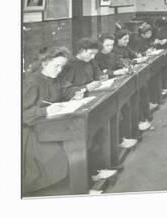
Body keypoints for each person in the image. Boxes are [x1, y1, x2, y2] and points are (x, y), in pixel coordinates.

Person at [22, 46, 108, 195]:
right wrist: (45, 110)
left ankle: (86, 181)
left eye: (62, 66)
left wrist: (76, 93)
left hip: (55, 125)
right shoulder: (32, 82)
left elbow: (67, 90)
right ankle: (75, 190)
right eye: (56, 66)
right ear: (44, 63)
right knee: (63, 155)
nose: (59, 70)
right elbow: (21, 113)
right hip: (34, 131)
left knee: (86, 137)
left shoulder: (56, 78)